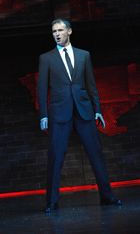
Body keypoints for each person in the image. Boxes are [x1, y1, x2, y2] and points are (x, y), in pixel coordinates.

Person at [38, 18, 122, 213]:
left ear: (69, 31)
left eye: (60, 30)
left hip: (84, 111)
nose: (56, 34)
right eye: (53, 31)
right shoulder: (46, 58)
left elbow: (91, 84)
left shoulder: (84, 55)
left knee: (96, 155)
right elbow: (41, 88)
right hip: (60, 113)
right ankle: (51, 201)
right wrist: (43, 114)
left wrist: (98, 109)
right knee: (56, 157)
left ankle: (107, 196)